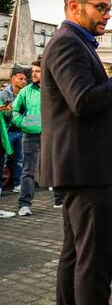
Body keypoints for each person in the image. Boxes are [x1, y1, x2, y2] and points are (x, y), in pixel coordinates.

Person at [40, 0, 112, 304]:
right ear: (74, 6)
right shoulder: (67, 43)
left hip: (80, 167)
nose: (107, 15)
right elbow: (82, 100)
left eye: (110, 9)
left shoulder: (74, 43)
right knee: (94, 262)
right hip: (85, 168)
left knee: (75, 254)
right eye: (101, 7)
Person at [13, 60, 61, 215]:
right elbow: (15, 110)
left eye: (37, 71)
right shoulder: (26, 91)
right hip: (30, 136)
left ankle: (59, 200)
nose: (33, 74)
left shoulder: (55, 89)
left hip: (51, 135)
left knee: (56, 166)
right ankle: (24, 205)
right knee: (28, 170)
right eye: (32, 71)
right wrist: (23, 123)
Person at [1, 70, 27, 194]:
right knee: (3, 158)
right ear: (12, 79)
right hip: (7, 131)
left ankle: (18, 184)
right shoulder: (3, 95)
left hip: (21, 130)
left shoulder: (25, 94)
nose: (24, 81)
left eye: (25, 79)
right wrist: (6, 111)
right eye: (20, 79)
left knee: (20, 159)